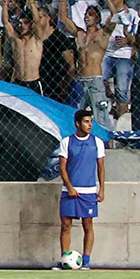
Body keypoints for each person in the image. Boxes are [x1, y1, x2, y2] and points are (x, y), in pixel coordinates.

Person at [55, 108, 105, 269]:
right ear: (78, 123)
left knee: (88, 225)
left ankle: (86, 260)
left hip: (89, 191)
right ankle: (65, 259)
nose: (89, 125)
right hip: (70, 191)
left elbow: (101, 167)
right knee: (65, 225)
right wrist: (69, 187)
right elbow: (62, 167)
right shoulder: (67, 142)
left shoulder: (97, 142)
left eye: (91, 122)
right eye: (86, 122)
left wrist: (101, 189)